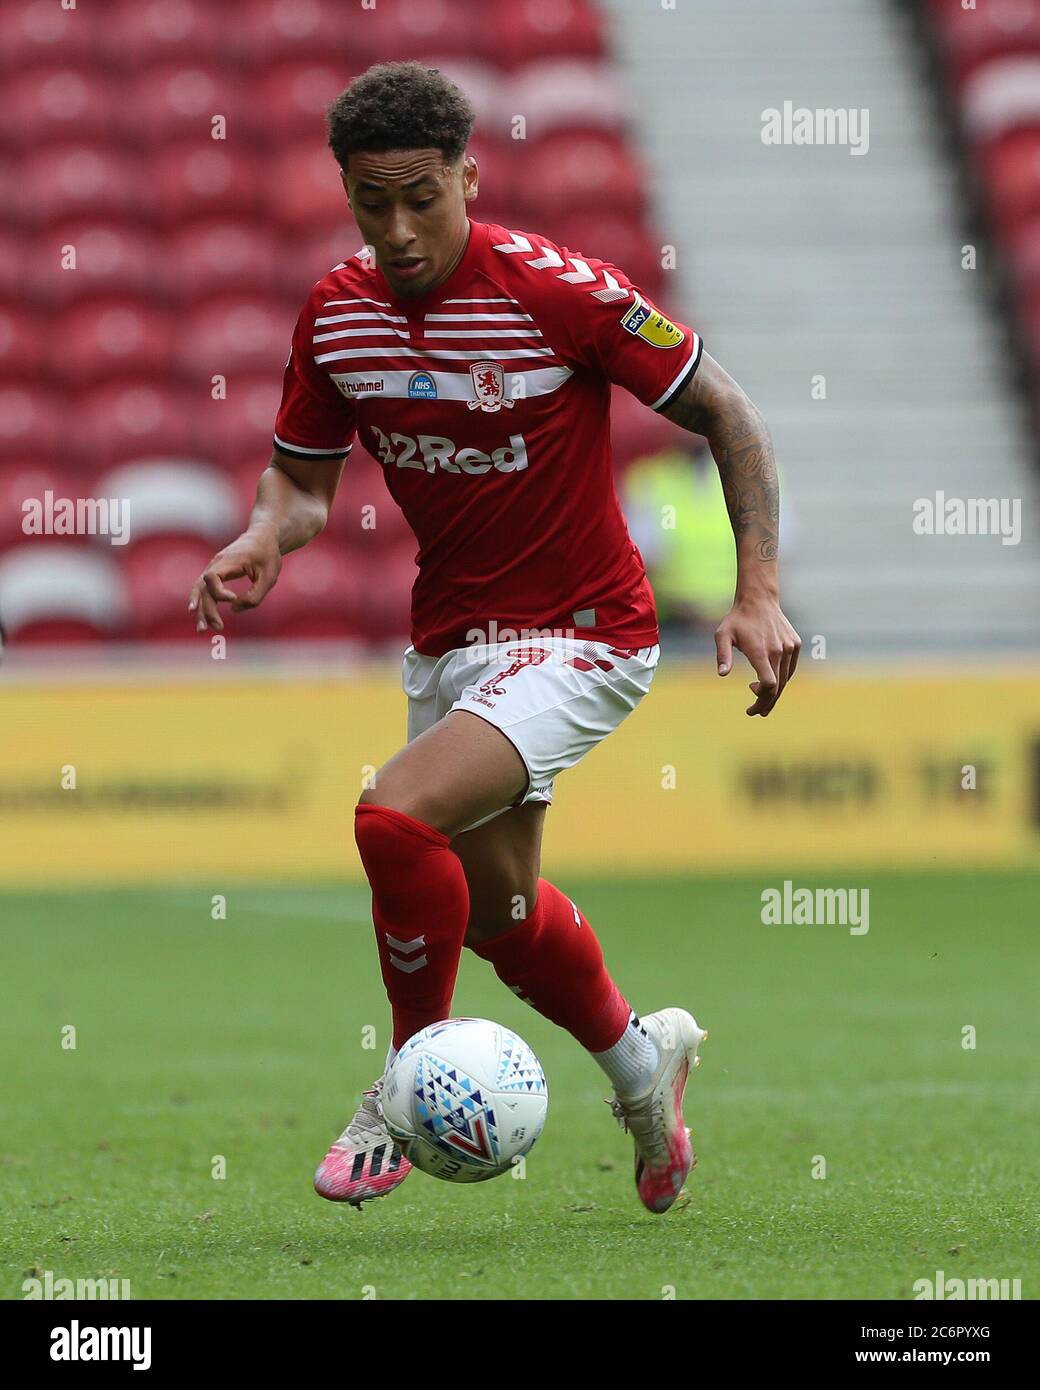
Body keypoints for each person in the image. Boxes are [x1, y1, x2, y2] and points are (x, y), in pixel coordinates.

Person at [189, 62, 800, 1215]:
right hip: (456, 640)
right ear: (345, 192)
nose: (401, 228)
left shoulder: (555, 291)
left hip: (583, 633)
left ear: (470, 174)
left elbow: (725, 408)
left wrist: (756, 587)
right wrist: (266, 536)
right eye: (373, 202)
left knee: (389, 814)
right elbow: (303, 485)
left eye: (423, 196)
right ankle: (640, 1066)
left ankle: (400, 1084)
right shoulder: (335, 314)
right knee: (506, 919)